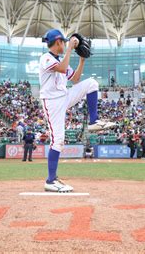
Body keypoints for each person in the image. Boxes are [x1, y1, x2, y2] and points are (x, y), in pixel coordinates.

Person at [39, 29, 116, 192]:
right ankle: (50, 180)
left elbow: (75, 79)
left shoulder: (60, 60)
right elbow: (61, 68)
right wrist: (69, 50)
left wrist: (82, 60)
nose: (66, 44)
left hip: (64, 96)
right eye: (64, 42)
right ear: (58, 42)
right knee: (58, 140)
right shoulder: (46, 58)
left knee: (92, 84)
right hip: (52, 103)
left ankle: (94, 121)